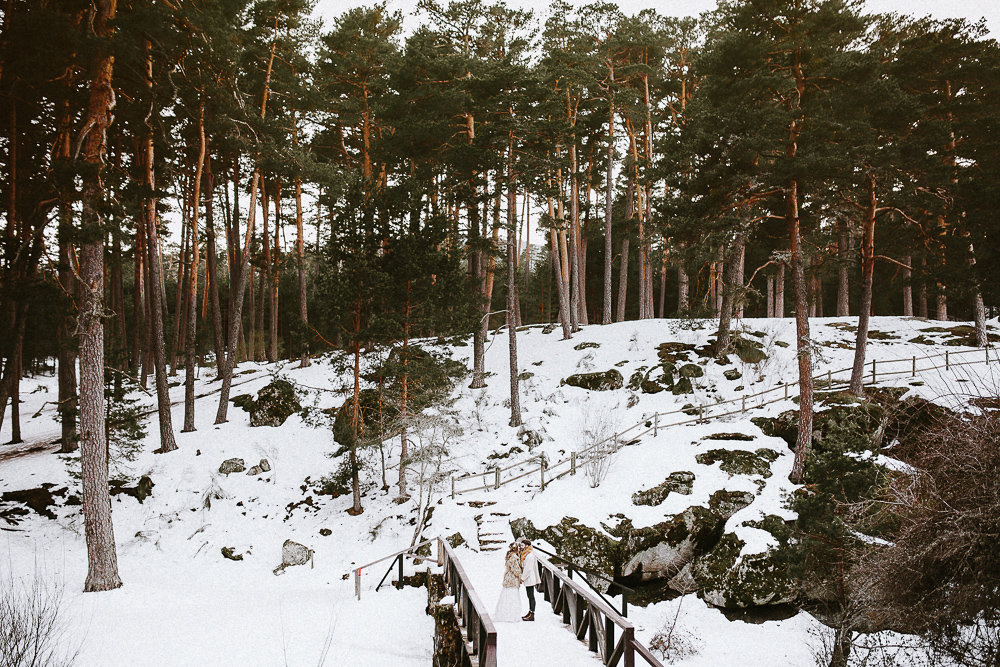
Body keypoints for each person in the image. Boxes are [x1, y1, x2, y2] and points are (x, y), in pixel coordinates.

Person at [494, 543, 523, 622]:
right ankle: (510, 615)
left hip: (508, 579)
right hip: (512, 580)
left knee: (506, 597)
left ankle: (505, 614)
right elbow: (516, 570)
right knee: (512, 598)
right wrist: (521, 576)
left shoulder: (510, 556)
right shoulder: (514, 558)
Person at [518, 538, 540, 621]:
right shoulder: (526, 554)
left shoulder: (530, 556)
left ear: (527, 546)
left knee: (531, 596)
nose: (521, 546)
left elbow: (528, 569)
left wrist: (522, 578)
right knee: (529, 595)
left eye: (522, 545)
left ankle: (532, 613)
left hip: (530, 578)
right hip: (529, 578)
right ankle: (530, 612)